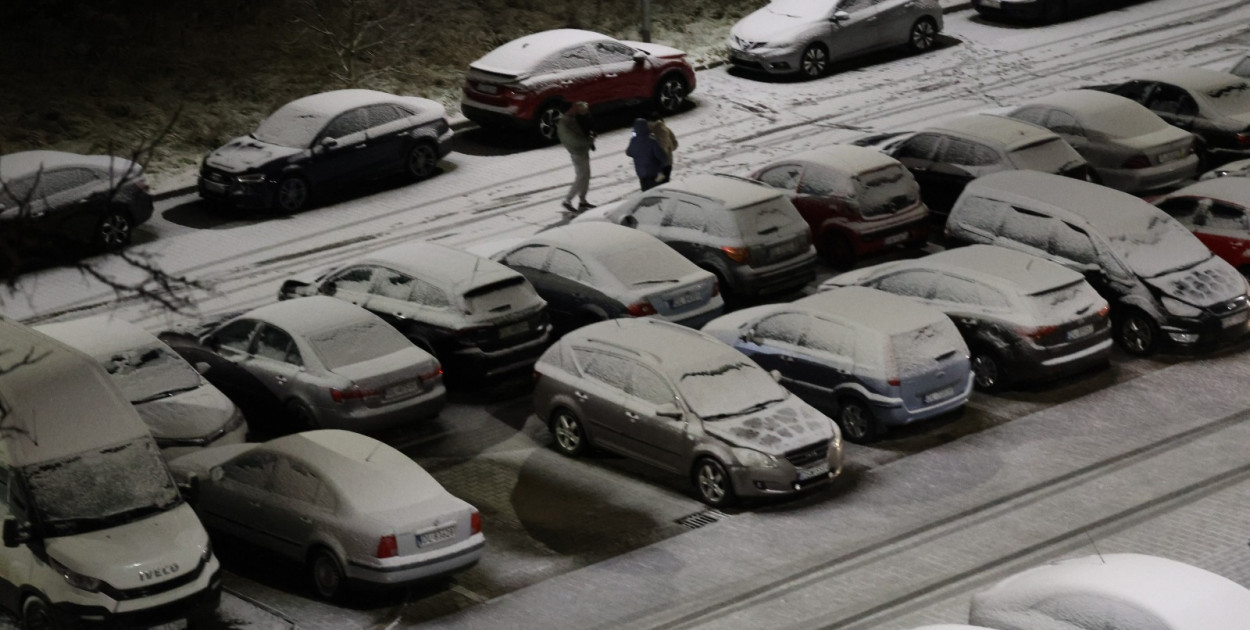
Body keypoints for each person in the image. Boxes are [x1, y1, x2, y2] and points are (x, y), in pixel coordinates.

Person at [557, 101, 596, 212]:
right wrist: (588, 141)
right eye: (572, 107)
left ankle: (582, 200)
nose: (575, 108)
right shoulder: (564, 124)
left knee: (586, 175)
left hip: (583, 150)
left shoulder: (572, 118)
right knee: (581, 177)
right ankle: (567, 200)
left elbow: (588, 123)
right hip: (577, 153)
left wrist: (586, 113)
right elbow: (574, 140)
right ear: (567, 109)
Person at [626, 118, 667, 191]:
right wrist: (662, 165)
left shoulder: (633, 141)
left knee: (646, 192)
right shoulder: (651, 141)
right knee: (656, 192)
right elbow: (661, 156)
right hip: (653, 173)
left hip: (641, 173)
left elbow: (629, 152)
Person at [647, 113, 678, 183]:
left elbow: (663, 148)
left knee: (659, 186)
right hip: (667, 163)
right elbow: (675, 144)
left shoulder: (659, 130)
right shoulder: (665, 129)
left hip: (661, 165)